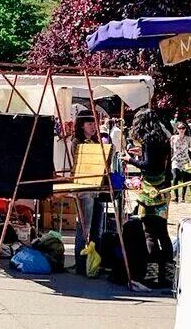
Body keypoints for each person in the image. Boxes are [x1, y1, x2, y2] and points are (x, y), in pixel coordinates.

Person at [124, 108, 174, 287]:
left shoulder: (148, 140)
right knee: (163, 233)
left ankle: (152, 275)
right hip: (164, 190)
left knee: (149, 234)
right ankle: (168, 274)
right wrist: (141, 154)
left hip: (149, 192)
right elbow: (160, 163)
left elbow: (148, 165)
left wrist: (130, 159)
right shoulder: (163, 138)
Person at [72, 112, 106, 274]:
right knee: (84, 228)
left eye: (94, 123)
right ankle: (81, 264)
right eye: (89, 123)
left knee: (96, 230)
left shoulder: (96, 141)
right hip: (85, 189)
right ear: (81, 125)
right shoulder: (77, 142)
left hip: (97, 189)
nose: (93, 126)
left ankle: (94, 262)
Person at [170, 121, 191, 202]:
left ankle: (183, 197)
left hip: (185, 160)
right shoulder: (173, 138)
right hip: (176, 160)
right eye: (179, 128)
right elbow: (171, 149)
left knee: (185, 179)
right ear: (177, 129)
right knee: (175, 177)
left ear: (185, 129)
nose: (181, 130)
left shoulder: (188, 138)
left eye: (183, 128)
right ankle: (175, 196)